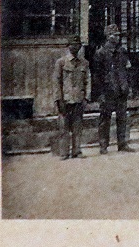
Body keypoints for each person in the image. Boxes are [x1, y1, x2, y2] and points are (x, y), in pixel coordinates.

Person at [94, 24, 134, 154]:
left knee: (122, 118)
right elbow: (97, 75)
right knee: (105, 119)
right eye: (114, 35)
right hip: (108, 91)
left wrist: (129, 86)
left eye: (117, 35)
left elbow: (127, 71)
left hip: (121, 89)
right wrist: (100, 93)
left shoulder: (122, 52)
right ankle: (103, 145)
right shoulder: (101, 53)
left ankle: (122, 143)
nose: (117, 37)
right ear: (107, 36)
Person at [53, 35, 91, 160]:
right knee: (63, 127)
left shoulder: (84, 63)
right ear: (67, 46)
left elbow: (88, 81)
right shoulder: (61, 62)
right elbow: (56, 82)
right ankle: (64, 153)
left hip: (78, 99)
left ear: (80, 47)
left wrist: (86, 98)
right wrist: (58, 99)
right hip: (65, 99)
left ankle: (77, 151)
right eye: (72, 44)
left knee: (77, 127)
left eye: (77, 45)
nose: (74, 47)